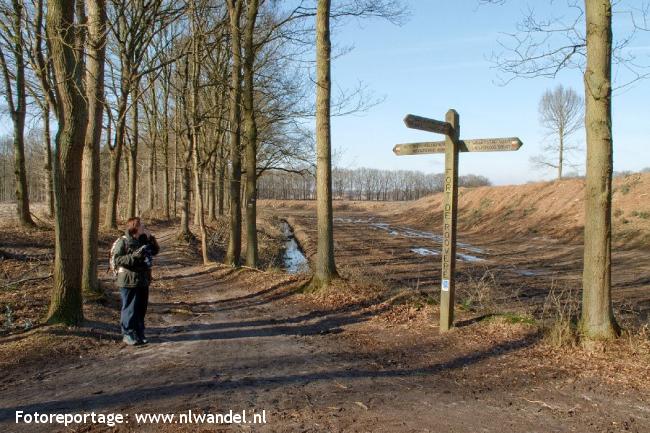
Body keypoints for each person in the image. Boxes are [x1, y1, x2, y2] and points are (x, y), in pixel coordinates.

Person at [112, 217, 159, 346]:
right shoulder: (123, 241)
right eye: (142, 226)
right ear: (135, 227)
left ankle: (139, 332)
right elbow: (117, 259)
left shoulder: (143, 240)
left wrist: (150, 238)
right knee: (129, 308)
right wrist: (134, 257)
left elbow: (155, 251)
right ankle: (128, 333)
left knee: (141, 308)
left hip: (143, 280)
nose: (144, 228)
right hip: (128, 280)